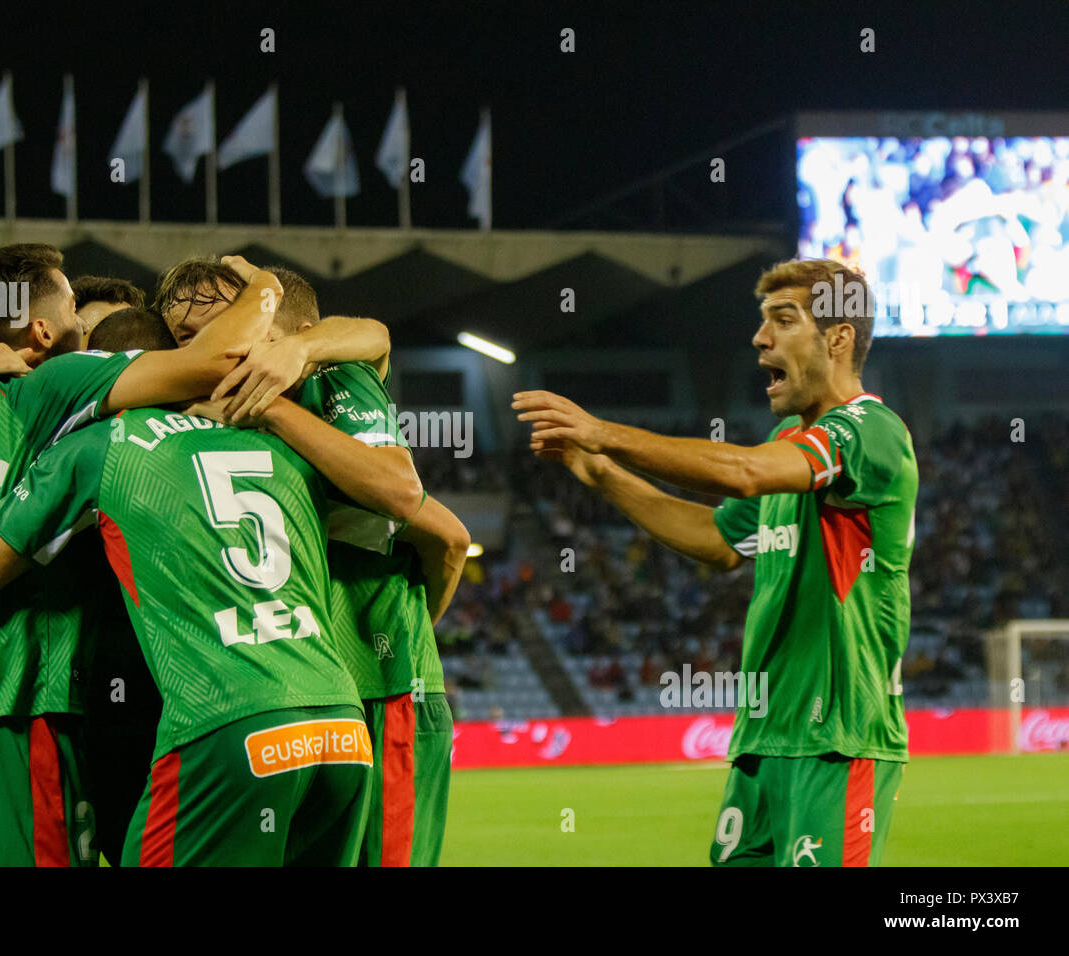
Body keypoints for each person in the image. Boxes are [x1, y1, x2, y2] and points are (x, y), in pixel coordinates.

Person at [0, 243, 281, 866]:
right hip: (23, 704)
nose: (91, 329)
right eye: (73, 305)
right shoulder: (52, 387)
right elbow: (213, 359)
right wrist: (265, 289)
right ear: (42, 329)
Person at [0, 311, 372, 866]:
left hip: (224, 720)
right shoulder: (288, 445)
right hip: (341, 726)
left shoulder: (99, 446)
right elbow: (375, 350)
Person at [513, 258, 917, 867]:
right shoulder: (790, 449)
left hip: (838, 738)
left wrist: (606, 433)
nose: (760, 340)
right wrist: (600, 472)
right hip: (762, 740)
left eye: (784, 320)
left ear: (838, 338)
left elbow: (743, 472)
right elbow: (715, 540)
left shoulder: (871, 431)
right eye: (762, 322)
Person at [178, 264, 469, 866]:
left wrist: (410, 641)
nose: (217, 350)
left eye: (238, 329)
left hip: (378, 685)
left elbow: (424, 514)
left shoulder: (334, 378)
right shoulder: (189, 398)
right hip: (277, 692)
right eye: (190, 338)